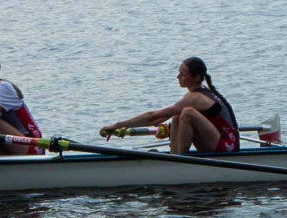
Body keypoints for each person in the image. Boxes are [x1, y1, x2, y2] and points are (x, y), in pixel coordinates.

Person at [99, 57, 239, 154]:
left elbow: (153, 115)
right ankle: (174, 157)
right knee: (177, 115)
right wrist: (126, 126)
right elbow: (156, 120)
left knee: (187, 113)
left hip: (228, 146)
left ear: (196, 78)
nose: (178, 77)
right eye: (179, 73)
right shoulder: (194, 95)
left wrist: (116, 125)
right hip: (217, 142)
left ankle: (179, 161)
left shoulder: (196, 98)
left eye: (183, 74)